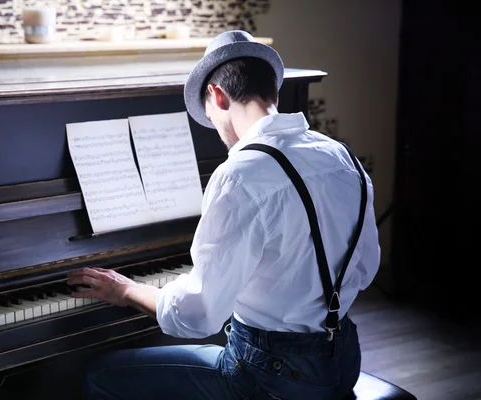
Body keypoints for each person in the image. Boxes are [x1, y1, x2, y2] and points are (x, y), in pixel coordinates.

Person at [67, 30, 380, 400]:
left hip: (269, 377)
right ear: (273, 93)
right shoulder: (342, 157)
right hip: (342, 363)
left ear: (217, 95)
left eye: (210, 115)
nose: (215, 128)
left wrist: (127, 289)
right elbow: (365, 268)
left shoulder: (241, 174)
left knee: (101, 375)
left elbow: (198, 315)